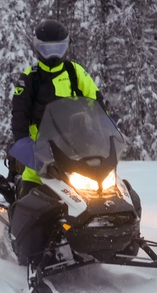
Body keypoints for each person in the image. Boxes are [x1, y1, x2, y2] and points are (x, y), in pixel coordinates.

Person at [9, 18, 104, 199]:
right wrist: (25, 145)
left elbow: (96, 100)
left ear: (66, 47)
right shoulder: (30, 78)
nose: (53, 54)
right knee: (28, 200)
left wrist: (104, 130)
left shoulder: (74, 72)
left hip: (76, 148)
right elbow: (19, 114)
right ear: (38, 48)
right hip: (40, 152)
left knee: (102, 191)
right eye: (47, 49)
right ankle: (17, 223)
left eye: (58, 48)